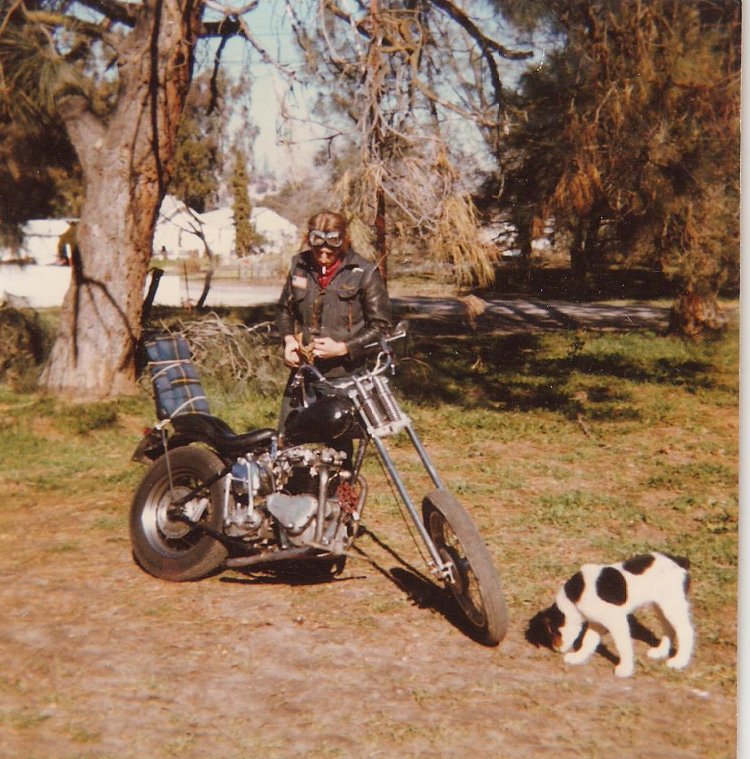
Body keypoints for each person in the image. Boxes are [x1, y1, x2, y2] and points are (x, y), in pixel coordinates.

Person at [276, 210, 392, 434]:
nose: (323, 255)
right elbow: (284, 310)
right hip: (304, 373)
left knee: (336, 447)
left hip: (343, 376)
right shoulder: (299, 266)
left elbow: (381, 327)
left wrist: (343, 348)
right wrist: (289, 340)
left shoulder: (364, 273)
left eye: (331, 249)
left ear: (344, 241)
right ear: (309, 240)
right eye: (318, 248)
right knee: (288, 439)